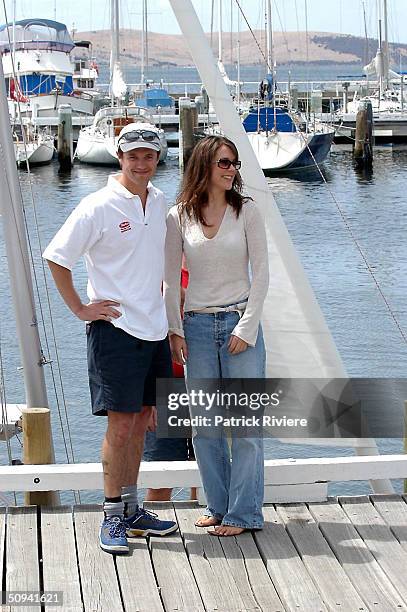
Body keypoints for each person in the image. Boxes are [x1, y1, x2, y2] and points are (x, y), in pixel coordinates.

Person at [42, 123, 177, 555]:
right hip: (114, 331)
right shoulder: (96, 206)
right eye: (133, 155)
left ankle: (134, 511)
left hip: (153, 330)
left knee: (141, 422)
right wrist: (81, 309)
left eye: (149, 156)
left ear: (158, 160)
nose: (141, 163)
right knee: (120, 426)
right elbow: (56, 257)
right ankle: (112, 514)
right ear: (120, 156)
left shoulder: (159, 203)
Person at [164, 135, 269, 537]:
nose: (232, 170)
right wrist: (175, 329)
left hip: (240, 324)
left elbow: (261, 274)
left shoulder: (248, 211)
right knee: (205, 427)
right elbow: (170, 281)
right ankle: (219, 507)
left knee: (245, 428)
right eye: (225, 163)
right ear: (205, 165)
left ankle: (244, 515)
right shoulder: (179, 216)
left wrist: (247, 327)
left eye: (235, 164)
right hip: (197, 327)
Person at [143, 266, 197, 502]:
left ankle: (206, 523)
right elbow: (140, 343)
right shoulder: (149, 276)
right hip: (164, 389)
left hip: (205, 384)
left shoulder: (206, 272)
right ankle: (152, 528)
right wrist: (148, 399)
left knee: (206, 474)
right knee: (161, 478)